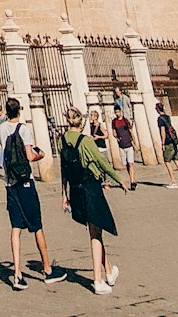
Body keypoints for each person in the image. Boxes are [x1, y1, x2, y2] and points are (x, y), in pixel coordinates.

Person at [0, 96, 67, 290]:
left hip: (10, 183)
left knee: (15, 228)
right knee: (36, 225)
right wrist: (41, 155)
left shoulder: (2, 129)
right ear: (19, 110)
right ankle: (47, 269)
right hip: (25, 182)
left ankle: (17, 274)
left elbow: (3, 153)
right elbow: (29, 156)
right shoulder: (24, 129)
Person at [60, 107, 125, 297]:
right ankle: (97, 281)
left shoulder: (62, 140)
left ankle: (109, 271)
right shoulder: (85, 140)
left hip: (75, 189)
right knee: (95, 234)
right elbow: (101, 161)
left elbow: (63, 167)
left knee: (95, 230)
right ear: (81, 122)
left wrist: (64, 194)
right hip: (90, 188)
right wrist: (118, 179)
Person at [155, 102, 178, 189]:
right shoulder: (167, 117)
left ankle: (173, 181)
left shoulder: (160, 119)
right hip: (173, 141)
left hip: (168, 142)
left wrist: (163, 143)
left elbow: (163, 131)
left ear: (157, 109)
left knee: (167, 162)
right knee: (176, 160)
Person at [111, 108, 136, 190]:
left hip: (129, 145)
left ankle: (132, 181)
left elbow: (131, 132)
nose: (117, 113)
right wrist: (116, 137)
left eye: (118, 112)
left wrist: (135, 143)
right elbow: (113, 132)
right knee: (126, 164)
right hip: (121, 146)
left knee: (131, 163)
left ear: (121, 112)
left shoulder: (125, 120)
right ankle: (132, 178)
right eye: (116, 112)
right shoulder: (114, 122)